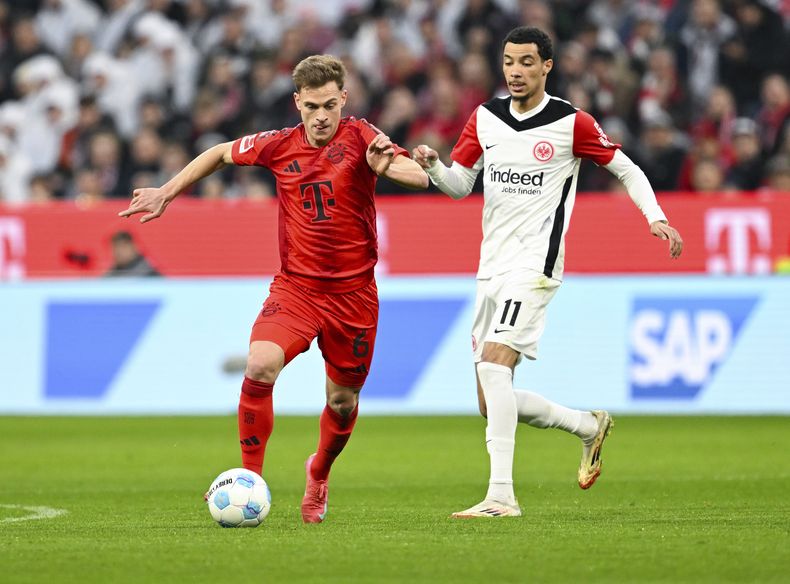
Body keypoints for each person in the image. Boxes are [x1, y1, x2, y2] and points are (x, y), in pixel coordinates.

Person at [119, 55, 428, 523]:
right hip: (297, 289)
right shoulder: (278, 145)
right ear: (297, 103)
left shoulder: (363, 136)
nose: (321, 116)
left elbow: (417, 176)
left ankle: (319, 472)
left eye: (330, 105)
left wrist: (387, 166)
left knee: (342, 403)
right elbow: (220, 152)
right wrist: (167, 191)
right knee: (260, 364)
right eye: (311, 107)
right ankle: (250, 480)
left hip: (354, 296)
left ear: (343, 98)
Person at [413, 27, 683, 518]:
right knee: (490, 399)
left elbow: (626, 169)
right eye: (509, 61)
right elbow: (459, 186)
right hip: (490, 267)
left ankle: (501, 496)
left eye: (526, 62)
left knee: (495, 367)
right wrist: (434, 167)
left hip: (535, 265)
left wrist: (655, 217)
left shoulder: (571, 122)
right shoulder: (485, 118)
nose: (515, 71)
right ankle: (587, 425)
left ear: (547, 66)